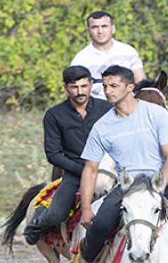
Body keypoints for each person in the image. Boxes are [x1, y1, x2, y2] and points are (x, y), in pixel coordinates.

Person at [76, 65, 168, 263]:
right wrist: (85, 208)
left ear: (130, 87)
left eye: (114, 86)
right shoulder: (102, 126)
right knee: (99, 227)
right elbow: (90, 169)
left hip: (166, 184)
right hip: (127, 186)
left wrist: (158, 187)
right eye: (105, 86)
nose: (108, 91)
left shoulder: (157, 114)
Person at [22, 65, 114, 245]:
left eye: (83, 86)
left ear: (90, 84)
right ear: (66, 88)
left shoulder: (107, 109)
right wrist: (82, 170)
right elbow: (53, 154)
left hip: (107, 168)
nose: (80, 92)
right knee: (57, 213)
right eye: (74, 87)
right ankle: (38, 221)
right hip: (75, 170)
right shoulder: (54, 115)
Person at [70, 11, 146, 100]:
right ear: (88, 32)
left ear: (113, 29)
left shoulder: (128, 52)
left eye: (104, 26)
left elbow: (141, 83)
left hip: (129, 108)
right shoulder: (80, 60)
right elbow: (74, 94)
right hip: (96, 111)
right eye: (95, 27)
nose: (100, 31)